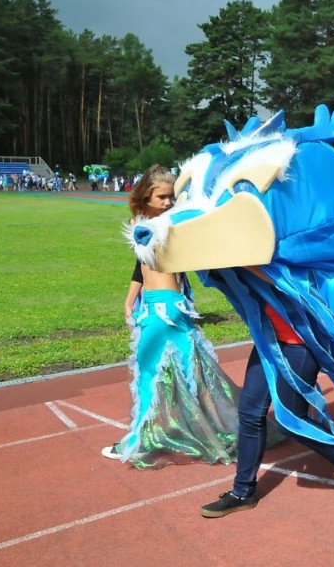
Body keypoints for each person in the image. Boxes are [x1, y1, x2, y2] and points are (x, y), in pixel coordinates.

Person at [200, 265, 334, 518]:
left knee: (290, 420)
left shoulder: (289, 251)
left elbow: (288, 281)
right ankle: (243, 492)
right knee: (249, 414)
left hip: (300, 344)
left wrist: (244, 263)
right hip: (268, 341)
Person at [103, 165, 241, 467]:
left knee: (149, 375)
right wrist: (130, 299)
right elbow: (140, 266)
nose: (168, 202)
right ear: (145, 197)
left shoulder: (169, 224)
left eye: (171, 197)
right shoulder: (144, 224)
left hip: (164, 310)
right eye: (162, 197)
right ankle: (220, 431)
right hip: (161, 306)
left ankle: (137, 442)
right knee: (192, 371)